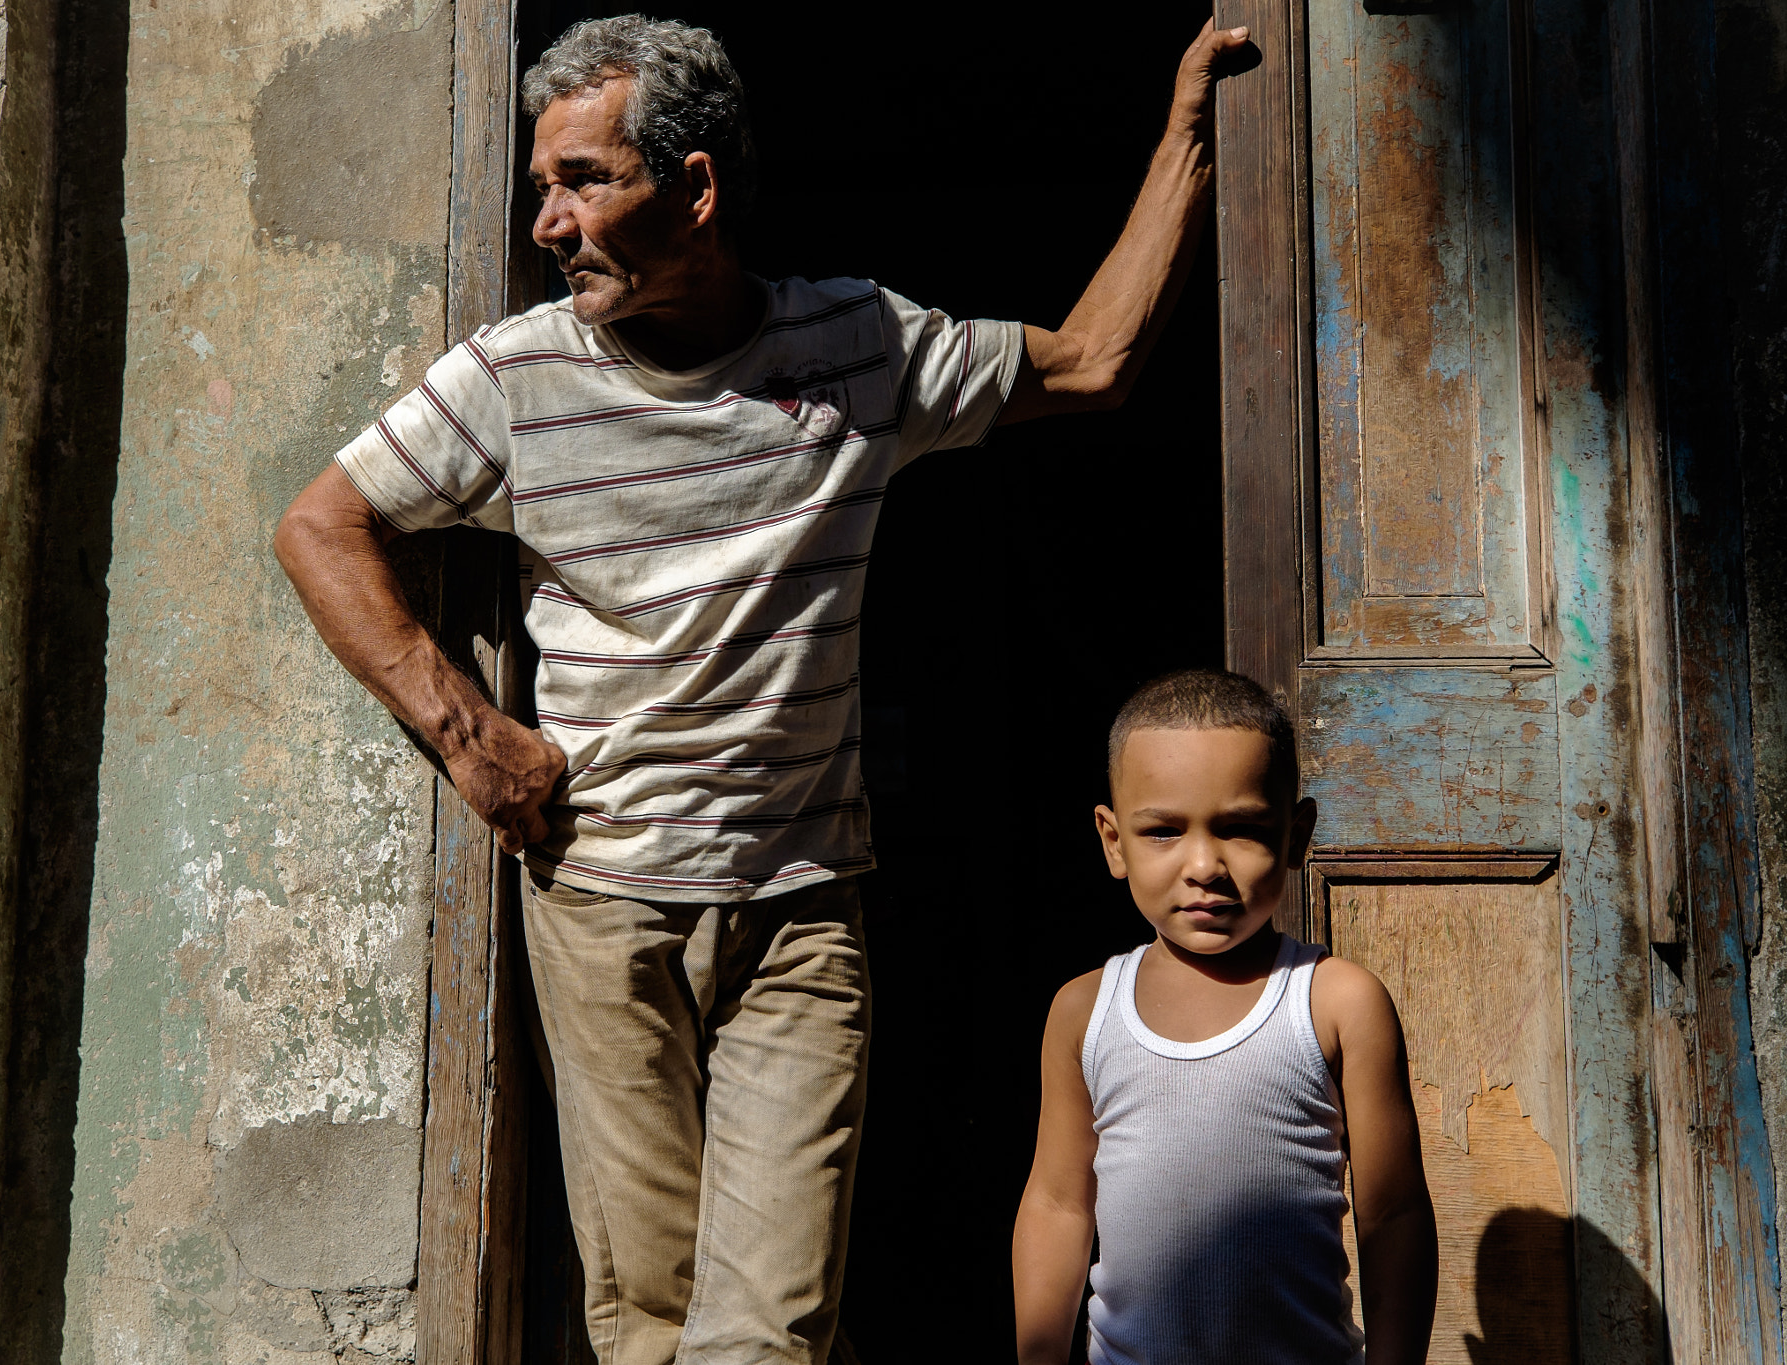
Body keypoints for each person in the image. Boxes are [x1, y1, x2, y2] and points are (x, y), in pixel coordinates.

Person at [275, 14, 1249, 1365]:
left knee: (772, 1330)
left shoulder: (857, 347)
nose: (549, 224)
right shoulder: (515, 378)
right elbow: (322, 526)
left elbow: (1092, 360)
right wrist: (473, 739)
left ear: (697, 188)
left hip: (802, 920)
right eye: (542, 189)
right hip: (605, 908)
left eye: (583, 181)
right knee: (647, 1326)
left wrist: (1187, 137)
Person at [1012, 670, 1438, 1365]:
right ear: (1113, 841)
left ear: (1297, 834)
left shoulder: (1335, 1002)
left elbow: (1393, 1215)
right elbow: (1059, 1204)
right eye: (1164, 831)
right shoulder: (1083, 1011)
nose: (1204, 864)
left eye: (1241, 829)